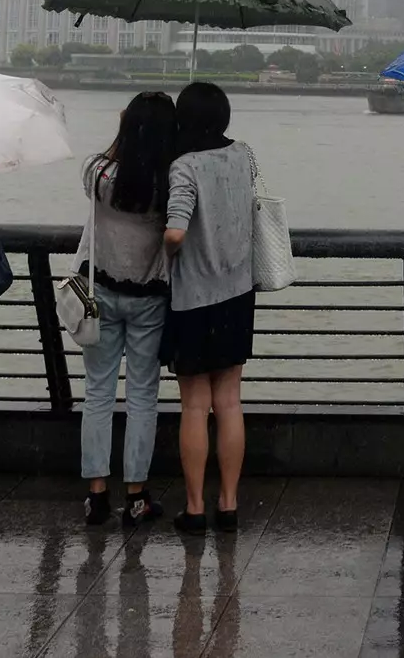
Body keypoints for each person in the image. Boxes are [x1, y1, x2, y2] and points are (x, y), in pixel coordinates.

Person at [79, 92, 177, 529]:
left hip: (100, 294)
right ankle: (136, 496)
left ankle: (96, 495)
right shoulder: (170, 182)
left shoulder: (98, 173)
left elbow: (103, 163)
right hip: (150, 297)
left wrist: (121, 133)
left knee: (97, 393)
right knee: (142, 397)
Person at [163, 81, 257, 534]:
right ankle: (230, 503)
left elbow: (177, 230)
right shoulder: (244, 155)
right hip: (238, 291)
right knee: (231, 402)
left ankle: (196, 507)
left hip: (194, 299)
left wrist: (166, 248)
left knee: (196, 406)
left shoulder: (183, 166)